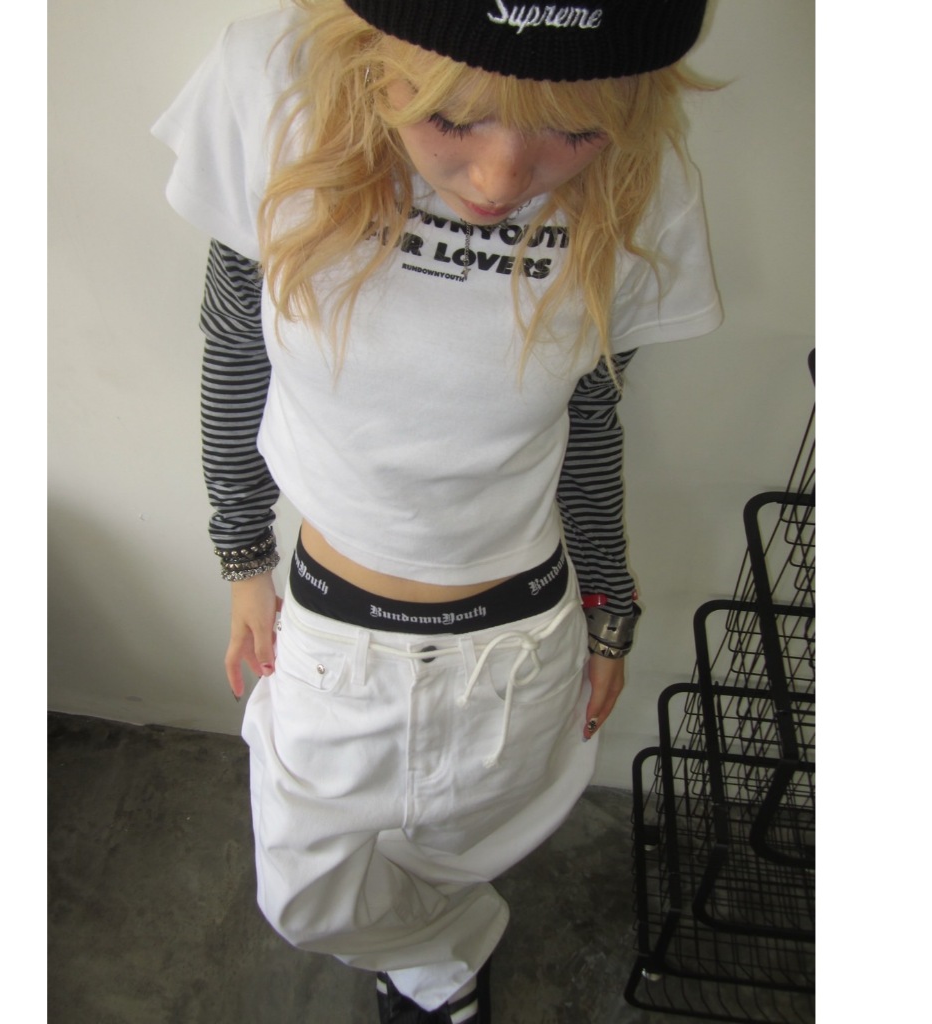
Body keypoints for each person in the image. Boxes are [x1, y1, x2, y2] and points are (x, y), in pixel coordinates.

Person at [153, 1, 720, 1020]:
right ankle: (440, 962)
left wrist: (611, 607)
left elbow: (591, 413)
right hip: (335, 628)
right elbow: (237, 344)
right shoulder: (274, 87)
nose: (500, 183)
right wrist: (242, 556)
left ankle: (427, 969)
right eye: (451, 118)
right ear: (372, 56)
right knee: (308, 897)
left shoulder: (642, 174)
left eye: (572, 131)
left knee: (455, 851)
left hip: (518, 638)